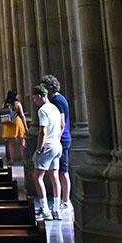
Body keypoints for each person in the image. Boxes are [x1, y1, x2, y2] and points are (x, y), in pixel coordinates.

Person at [42, 74, 73, 214]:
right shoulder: (56, 99)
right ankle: (60, 199)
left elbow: (61, 123)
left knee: (63, 171)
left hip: (62, 139)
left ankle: (66, 201)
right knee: (58, 171)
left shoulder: (57, 101)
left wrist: (56, 140)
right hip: (60, 139)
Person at [31, 84, 63, 221]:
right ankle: (56, 209)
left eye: (34, 98)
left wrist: (39, 149)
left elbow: (42, 131)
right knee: (54, 177)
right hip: (57, 145)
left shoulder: (43, 110)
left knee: (37, 177)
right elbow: (62, 125)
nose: (33, 101)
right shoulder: (54, 108)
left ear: (40, 96)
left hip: (47, 146)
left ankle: (45, 210)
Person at [0, 90, 28, 167]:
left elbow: (2, 113)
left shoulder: (4, 104)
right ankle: (24, 160)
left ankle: (12, 160)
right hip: (17, 122)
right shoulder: (17, 104)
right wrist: (25, 127)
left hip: (8, 123)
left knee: (11, 144)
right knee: (21, 143)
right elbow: (22, 115)